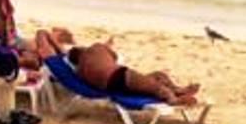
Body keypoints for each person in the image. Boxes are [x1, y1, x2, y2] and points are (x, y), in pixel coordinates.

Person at [65, 39, 201, 105]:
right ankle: (173, 98)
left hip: (113, 88)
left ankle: (178, 90)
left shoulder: (80, 71)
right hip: (118, 75)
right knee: (155, 86)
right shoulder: (95, 48)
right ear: (82, 49)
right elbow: (114, 56)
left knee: (158, 76)